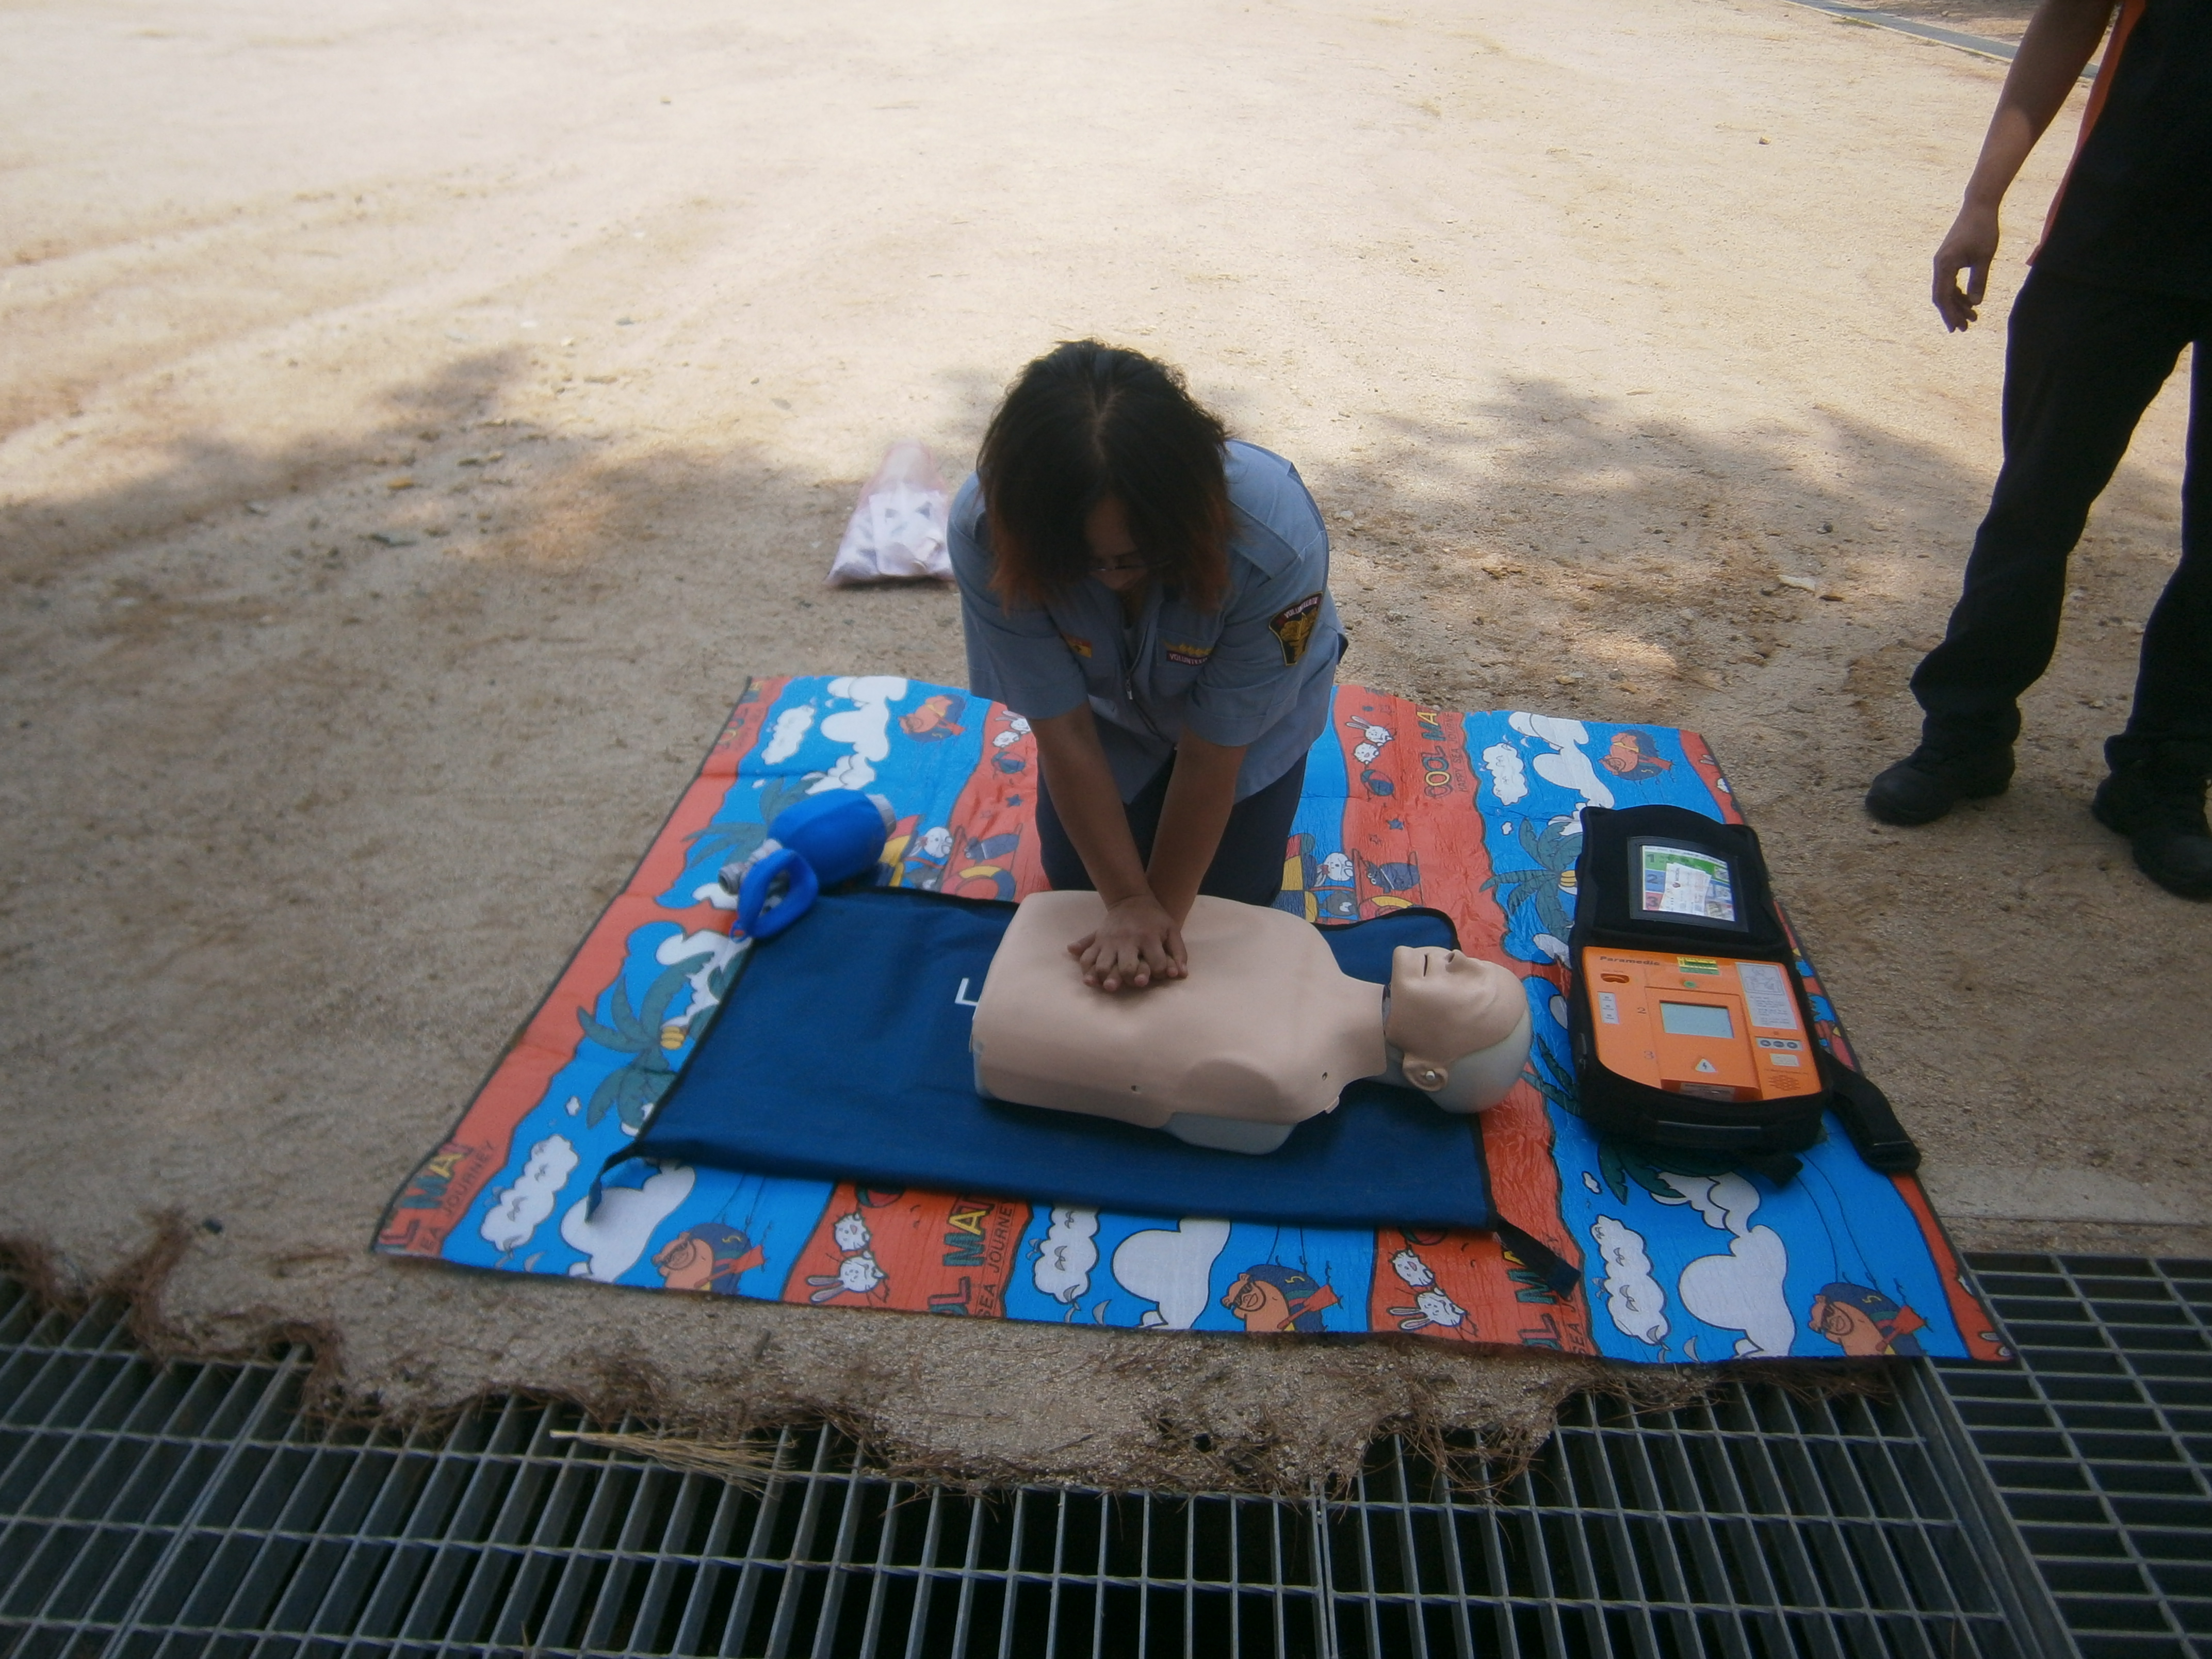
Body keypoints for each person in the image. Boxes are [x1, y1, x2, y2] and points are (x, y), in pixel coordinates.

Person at [1863, 0, 2211, 901]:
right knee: (2035, 503)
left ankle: (2163, 775)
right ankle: (1965, 734)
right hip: (2117, 232)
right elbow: (2068, 19)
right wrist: (1982, 200)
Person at [951, 340, 1347, 988]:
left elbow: (1213, 753)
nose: (1110, 578)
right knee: (1077, 890)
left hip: (1244, 737)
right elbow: (1064, 730)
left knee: (1227, 906)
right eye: (1082, 562)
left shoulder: (1272, 542)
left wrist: (1154, 917)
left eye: (1135, 557)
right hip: (1107, 725)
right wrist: (1129, 902)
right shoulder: (990, 530)